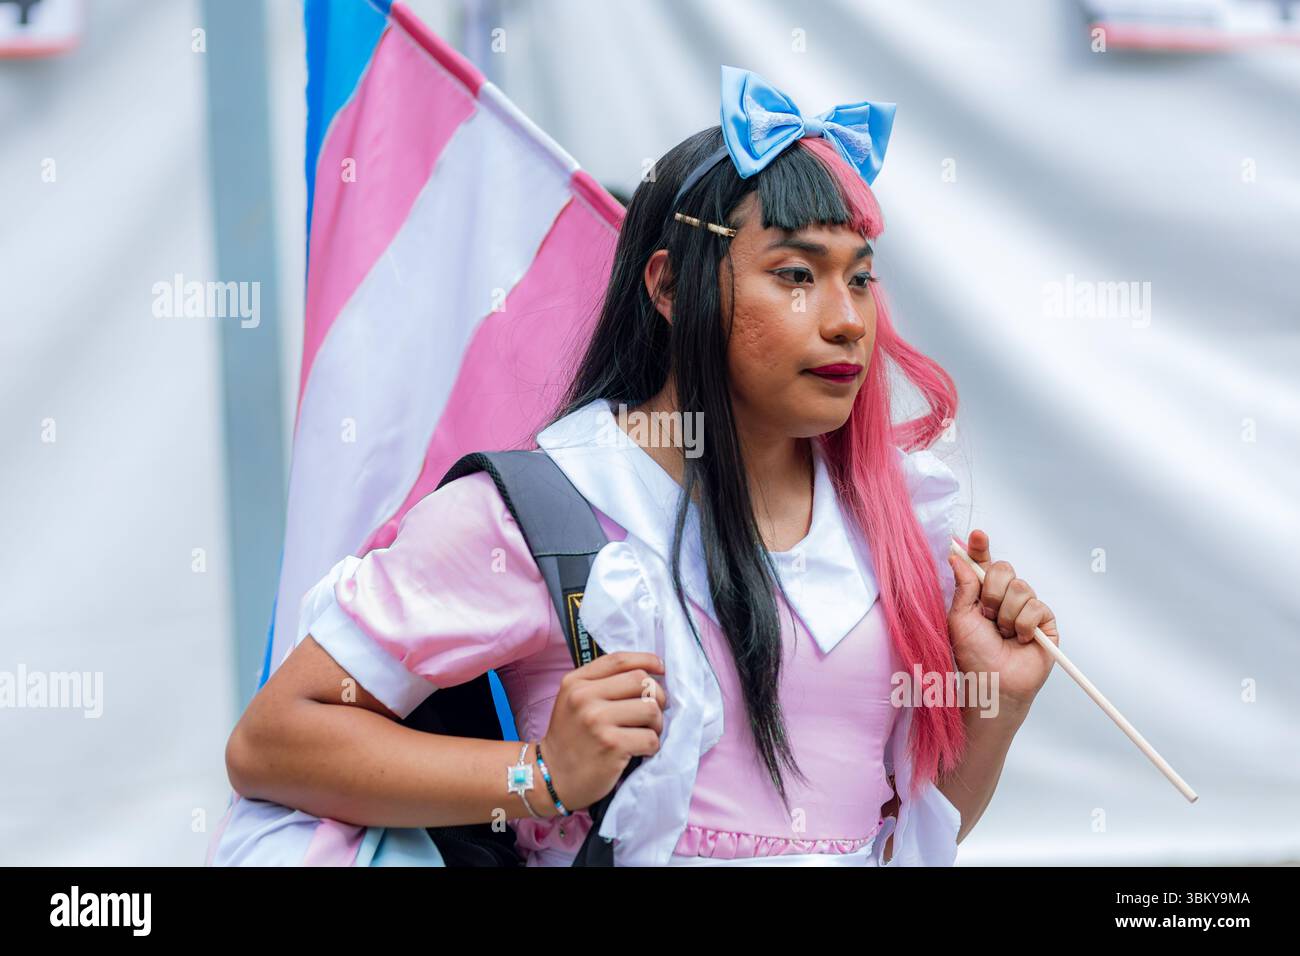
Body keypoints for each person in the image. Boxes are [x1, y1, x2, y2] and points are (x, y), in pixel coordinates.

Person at [211, 65, 1060, 867]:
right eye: (797, 274)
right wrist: (538, 776)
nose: (847, 321)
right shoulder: (538, 511)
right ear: (671, 286)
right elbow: (273, 743)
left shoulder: (890, 525)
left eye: (862, 279)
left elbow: (897, 838)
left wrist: (996, 704)